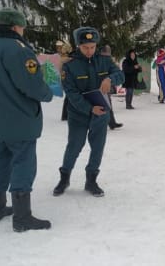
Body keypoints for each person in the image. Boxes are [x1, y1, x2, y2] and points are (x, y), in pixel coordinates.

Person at [0, 8, 53, 231]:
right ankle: (22, 217)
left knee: (0, 159)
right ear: (14, 27)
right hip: (19, 118)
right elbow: (32, 85)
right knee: (23, 163)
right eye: (21, 26)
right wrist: (47, 94)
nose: (23, 30)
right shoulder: (19, 51)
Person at [53, 27, 124, 197]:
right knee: (74, 146)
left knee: (97, 147)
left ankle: (91, 180)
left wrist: (109, 79)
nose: (90, 51)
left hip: (101, 113)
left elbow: (120, 75)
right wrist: (89, 108)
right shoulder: (70, 65)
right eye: (85, 47)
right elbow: (71, 92)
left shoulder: (104, 60)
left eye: (92, 47)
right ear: (78, 46)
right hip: (79, 114)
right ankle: (64, 177)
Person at [101, 45, 123, 129]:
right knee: (105, 105)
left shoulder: (108, 61)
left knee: (108, 105)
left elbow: (116, 73)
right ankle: (109, 123)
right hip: (101, 87)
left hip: (106, 86)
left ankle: (112, 123)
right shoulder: (102, 60)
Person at [57, 40, 73, 121]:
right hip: (67, 80)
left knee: (68, 98)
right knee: (68, 98)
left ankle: (65, 115)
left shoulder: (63, 58)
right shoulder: (66, 59)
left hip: (65, 80)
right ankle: (65, 115)